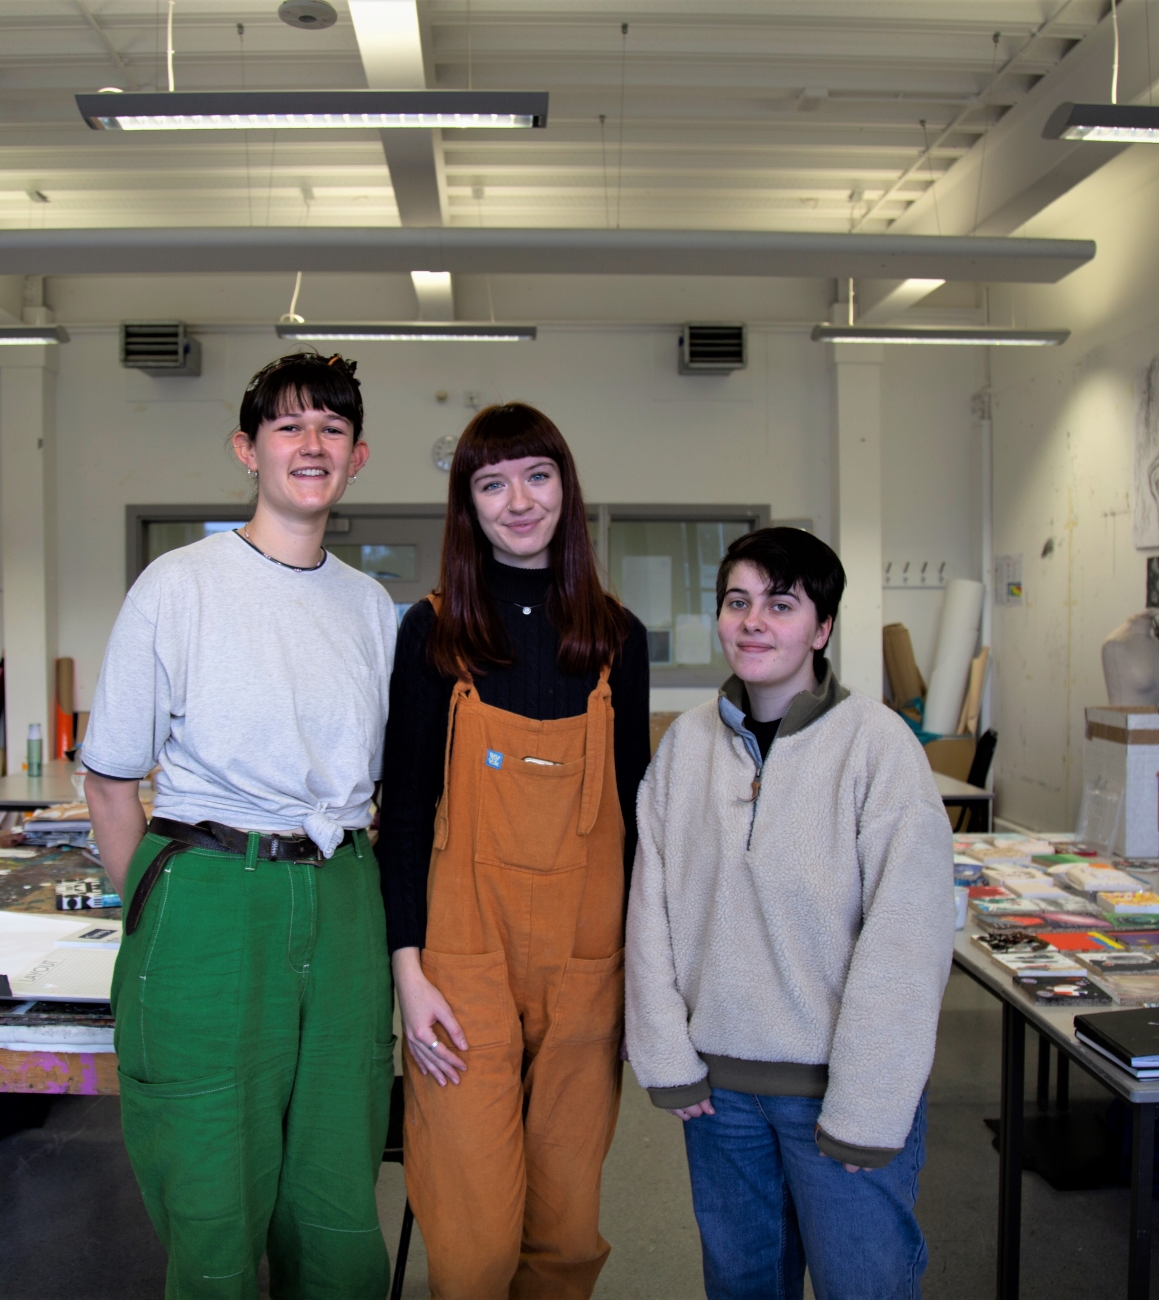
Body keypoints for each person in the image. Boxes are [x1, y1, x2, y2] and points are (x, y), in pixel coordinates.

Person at [83, 352, 397, 1300]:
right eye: (288, 426)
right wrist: (160, 913)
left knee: (337, 1180)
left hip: (343, 897)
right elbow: (110, 784)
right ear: (247, 450)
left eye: (332, 428)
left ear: (358, 456)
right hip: (210, 890)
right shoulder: (179, 586)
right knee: (212, 1185)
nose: (312, 444)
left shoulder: (372, 608)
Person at [624, 526, 954, 1300]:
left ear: (823, 628)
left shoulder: (878, 747)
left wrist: (867, 1107)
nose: (753, 622)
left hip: (838, 1094)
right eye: (736, 602)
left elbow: (907, 941)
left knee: (862, 1285)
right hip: (719, 1097)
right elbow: (650, 911)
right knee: (741, 1284)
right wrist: (667, 1057)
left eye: (780, 604)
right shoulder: (685, 746)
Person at [379, 402, 650, 1300]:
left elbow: (639, 822)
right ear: (468, 506)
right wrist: (408, 974)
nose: (519, 501)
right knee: (473, 1240)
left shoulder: (616, 640)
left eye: (537, 476)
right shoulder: (433, 633)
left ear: (566, 489)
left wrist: (648, 979)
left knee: (565, 1229)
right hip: (462, 967)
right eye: (492, 484)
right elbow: (404, 814)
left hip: (586, 964)